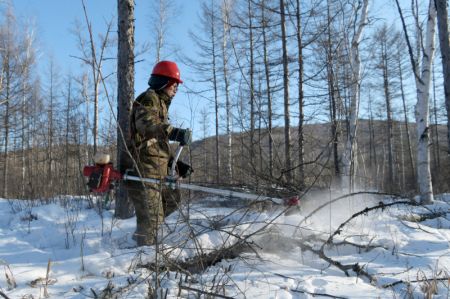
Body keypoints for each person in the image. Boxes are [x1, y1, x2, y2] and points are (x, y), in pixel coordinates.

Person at [127, 60, 193, 246]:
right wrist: (173, 131)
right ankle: (141, 257)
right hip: (144, 170)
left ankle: (141, 238)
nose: (176, 89)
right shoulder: (149, 99)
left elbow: (156, 143)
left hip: (158, 169)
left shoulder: (161, 105)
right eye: (174, 84)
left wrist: (175, 163)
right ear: (163, 82)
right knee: (152, 218)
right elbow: (145, 124)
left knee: (172, 200)